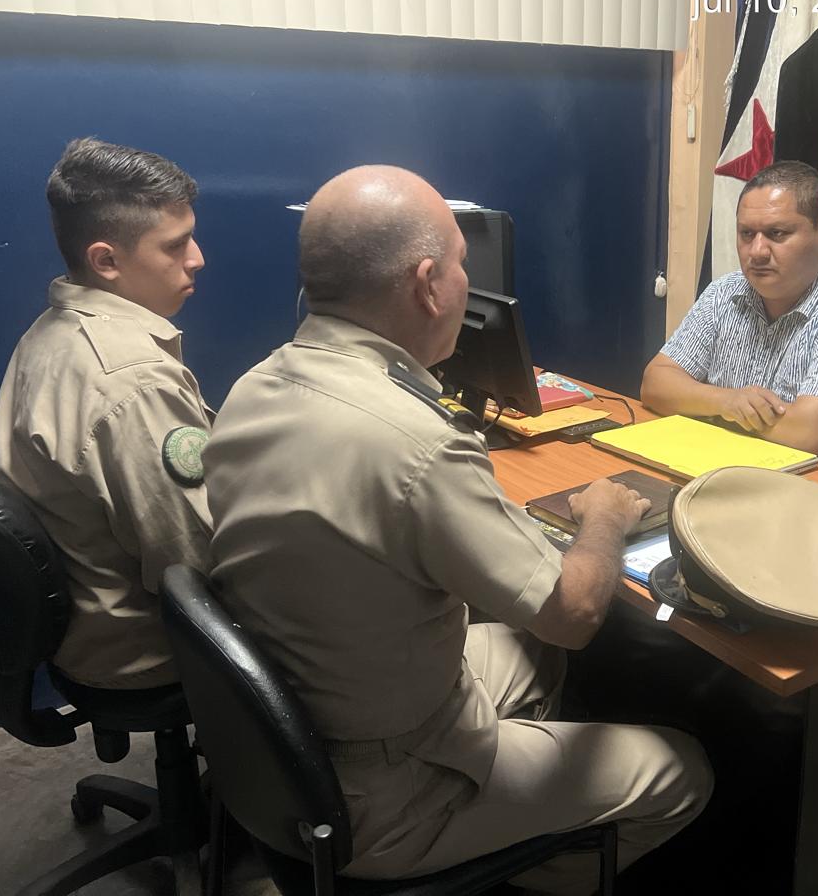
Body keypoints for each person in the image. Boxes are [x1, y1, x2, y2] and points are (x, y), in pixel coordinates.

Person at [204, 165, 713, 894]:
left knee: (532, 650)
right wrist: (602, 519)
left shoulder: (254, 385)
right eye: (462, 265)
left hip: (295, 735)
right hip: (384, 795)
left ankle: (511, 821)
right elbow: (573, 613)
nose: (468, 283)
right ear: (428, 285)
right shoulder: (418, 444)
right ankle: (505, 863)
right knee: (682, 772)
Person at [0, 137, 212, 690]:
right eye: (175, 245)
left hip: (83, 623)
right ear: (106, 260)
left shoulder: (51, 331)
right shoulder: (134, 382)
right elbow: (194, 564)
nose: (197, 258)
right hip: (146, 648)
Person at [641, 160, 818, 479]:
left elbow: (806, 434)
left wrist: (699, 401)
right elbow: (656, 383)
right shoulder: (725, 292)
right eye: (746, 234)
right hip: (727, 474)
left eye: (777, 233)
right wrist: (726, 401)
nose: (757, 252)